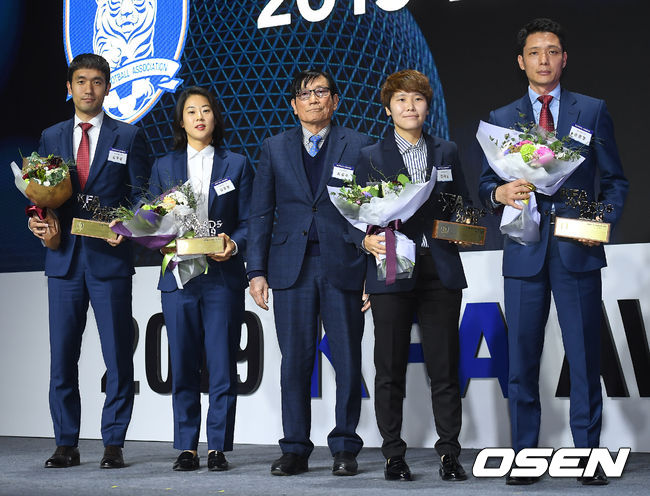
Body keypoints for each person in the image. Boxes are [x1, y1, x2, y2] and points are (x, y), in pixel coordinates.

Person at [478, 18, 629, 486]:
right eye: (535, 52)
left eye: (553, 51)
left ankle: (588, 455)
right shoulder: (502, 118)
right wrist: (496, 195)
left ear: (564, 58)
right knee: (521, 359)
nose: (544, 60)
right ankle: (524, 454)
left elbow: (616, 180)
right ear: (520, 61)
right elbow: (486, 181)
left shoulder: (592, 109)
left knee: (585, 357)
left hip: (576, 250)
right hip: (523, 251)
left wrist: (600, 220)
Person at [247, 69, 372, 476]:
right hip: (290, 268)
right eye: (305, 94)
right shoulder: (274, 147)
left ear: (335, 101)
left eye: (321, 92)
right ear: (293, 104)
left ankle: (345, 447)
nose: (314, 99)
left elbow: (373, 214)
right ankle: (295, 448)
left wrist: (373, 272)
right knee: (295, 361)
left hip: (345, 264)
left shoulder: (360, 145)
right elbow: (261, 212)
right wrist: (257, 270)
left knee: (348, 360)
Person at [28, 53, 150, 469]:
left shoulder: (128, 137)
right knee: (63, 355)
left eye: (97, 81)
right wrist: (40, 224)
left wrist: (130, 225)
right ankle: (66, 442)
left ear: (108, 87)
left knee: (118, 355)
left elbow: (144, 197)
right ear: (69, 87)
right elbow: (40, 198)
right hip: (63, 261)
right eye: (81, 81)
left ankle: (113, 441)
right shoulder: (51, 136)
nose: (88, 89)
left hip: (109, 260)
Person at [352, 69, 469, 482]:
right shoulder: (367, 155)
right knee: (389, 367)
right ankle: (393, 454)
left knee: (445, 367)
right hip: (391, 270)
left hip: (440, 270)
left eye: (417, 99)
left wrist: (465, 229)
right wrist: (363, 241)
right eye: (401, 100)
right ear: (388, 109)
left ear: (426, 105)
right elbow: (354, 215)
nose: (410, 107)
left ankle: (450, 453)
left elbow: (460, 207)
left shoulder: (448, 150)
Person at [147, 86, 253, 472]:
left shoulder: (237, 164)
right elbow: (152, 219)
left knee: (223, 362)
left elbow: (249, 222)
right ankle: (187, 446)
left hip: (222, 276)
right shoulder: (164, 166)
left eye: (206, 110)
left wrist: (234, 244)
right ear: (181, 121)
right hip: (179, 277)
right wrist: (155, 241)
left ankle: (218, 446)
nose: (199, 117)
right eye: (191, 111)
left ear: (215, 118)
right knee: (184, 361)